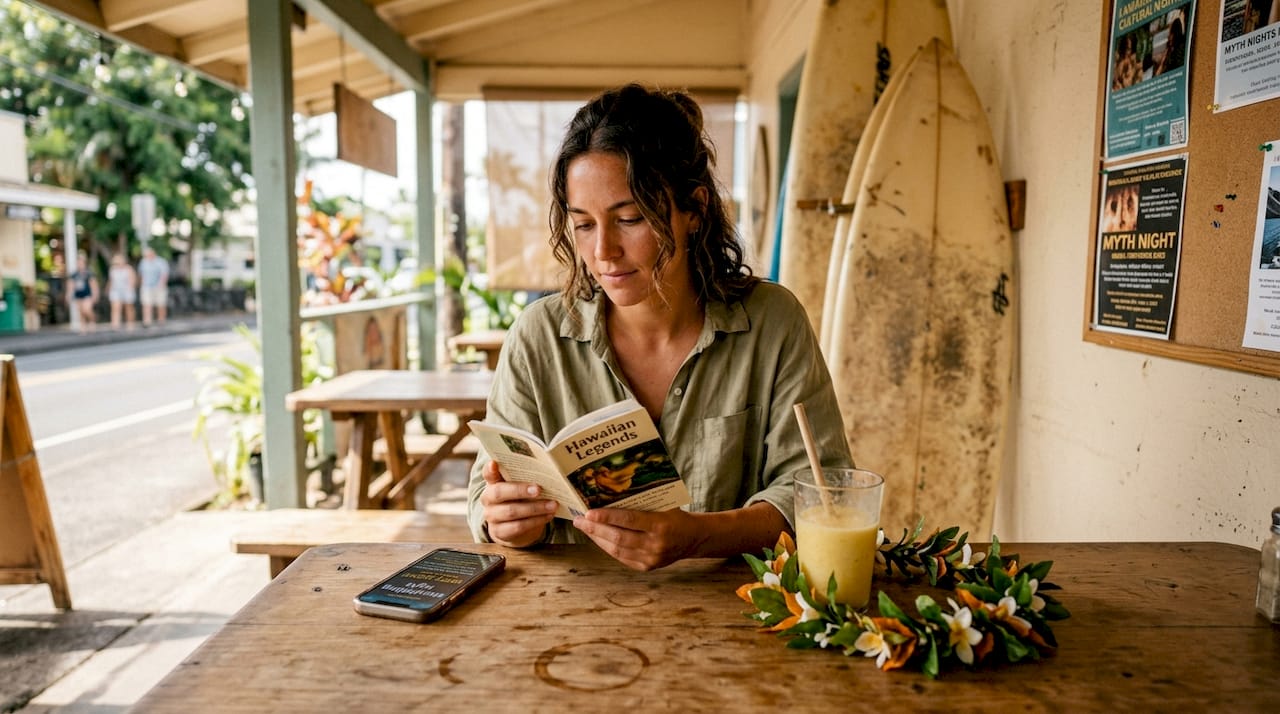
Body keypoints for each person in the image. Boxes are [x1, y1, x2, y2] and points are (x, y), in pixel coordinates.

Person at [467, 84, 853, 571]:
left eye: (629, 218)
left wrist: (702, 536)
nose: (603, 252)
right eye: (583, 225)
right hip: (566, 619)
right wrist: (505, 519)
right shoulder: (538, 337)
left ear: (695, 209)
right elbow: (487, 493)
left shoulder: (772, 324)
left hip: (737, 616)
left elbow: (822, 491)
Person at [66, 250, 98, 334]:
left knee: (86, 309)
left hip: (87, 294)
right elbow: (71, 285)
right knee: (81, 311)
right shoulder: (74, 274)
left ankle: (92, 320)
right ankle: (83, 328)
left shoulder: (89, 273)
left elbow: (93, 285)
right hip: (78, 295)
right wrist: (69, 295)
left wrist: (95, 295)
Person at [138, 246, 169, 326]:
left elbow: (164, 274)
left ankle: (161, 320)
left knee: (160, 304)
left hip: (159, 286)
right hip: (146, 286)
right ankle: (147, 321)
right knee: (146, 303)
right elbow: (141, 274)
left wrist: (162, 284)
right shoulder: (143, 262)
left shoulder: (161, 262)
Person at [107, 252, 138, 330]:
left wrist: (130, 289)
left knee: (128, 307)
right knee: (115, 307)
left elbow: (133, 280)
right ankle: (115, 324)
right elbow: (111, 281)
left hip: (127, 290)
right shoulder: (113, 270)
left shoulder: (128, 269)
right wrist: (108, 289)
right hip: (116, 291)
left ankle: (130, 323)